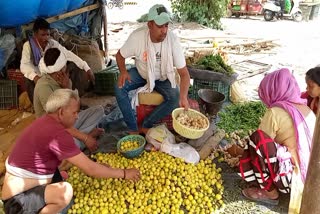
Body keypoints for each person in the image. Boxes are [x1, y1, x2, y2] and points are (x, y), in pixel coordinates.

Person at [1, 89, 141, 213]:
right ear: (61, 112)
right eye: (74, 112)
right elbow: (91, 170)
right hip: (17, 202)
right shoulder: (56, 134)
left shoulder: (47, 121)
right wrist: (124, 173)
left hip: (24, 185)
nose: (77, 116)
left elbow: (84, 163)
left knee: (61, 181)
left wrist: (97, 165)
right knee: (65, 192)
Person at [238, 68, 316, 206]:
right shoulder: (306, 109)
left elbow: (262, 144)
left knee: (256, 140)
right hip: (312, 180)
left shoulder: (275, 112)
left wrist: (238, 152)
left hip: (290, 179)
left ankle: (270, 192)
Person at [114, 4, 190, 134]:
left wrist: (183, 97)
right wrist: (123, 72)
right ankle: (133, 128)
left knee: (175, 96)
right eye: (160, 26)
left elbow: (184, 74)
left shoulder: (172, 40)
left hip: (163, 77)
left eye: (166, 25)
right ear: (150, 25)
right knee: (119, 87)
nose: (164, 30)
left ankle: (145, 124)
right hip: (141, 74)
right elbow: (120, 55)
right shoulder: (137, 37)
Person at [34, 47, 104, 152]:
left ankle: (80, 137)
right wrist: (85, 138)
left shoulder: (63, 80)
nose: (66, 67)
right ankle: (83, 138)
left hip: (67, 121)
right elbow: (58, 123)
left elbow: (76, 107)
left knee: (99, 110)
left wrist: (67, 88)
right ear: (60, 70)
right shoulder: (44, 87)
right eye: (65, 65)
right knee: (72, 145)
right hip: (54, 130)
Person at [20, 18, 95, 103]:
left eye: (47, 35)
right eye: (43, 35)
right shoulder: (28, 46)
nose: (46, 38)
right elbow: (24, 66)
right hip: (40, 76)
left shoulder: (52, 43)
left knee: (74, 66)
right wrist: (35, 77)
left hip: (53, 74)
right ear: (35, 34)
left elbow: (68, 54)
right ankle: (37, 103)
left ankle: (75, 98)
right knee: (27, 78)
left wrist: (86, 68)